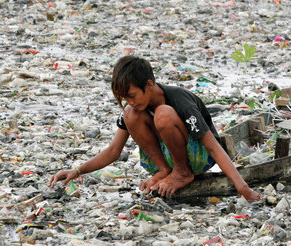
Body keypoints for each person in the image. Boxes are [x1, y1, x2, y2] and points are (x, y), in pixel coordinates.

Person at [48, 55, 260, 201]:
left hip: (198, 157)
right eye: (124, 98)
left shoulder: (179, 100)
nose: (129, 101)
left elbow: (213, 146)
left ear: (149, 85)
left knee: (163, 114)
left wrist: (242, 187)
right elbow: (114, 151)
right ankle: (164, 170)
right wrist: (76, 171)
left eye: (132, 95)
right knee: (130, 115)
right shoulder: (134, 108)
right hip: (168, 159)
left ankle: (182, 173)